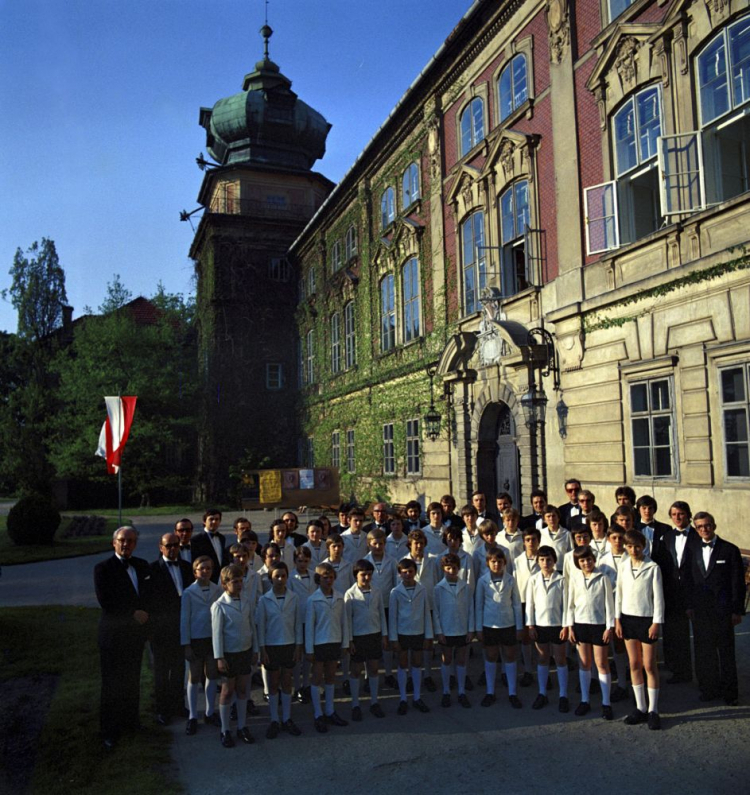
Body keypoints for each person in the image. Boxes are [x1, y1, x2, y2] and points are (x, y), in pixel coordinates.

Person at [94, 526, 151, 750]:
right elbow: (106, 600)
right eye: (122, 540)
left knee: (132, 680)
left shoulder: (142, 566)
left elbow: (148, 595)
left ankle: (131, 722)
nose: (126, 544)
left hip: (135, 636)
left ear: (135, 543)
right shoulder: (103, 568)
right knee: (111, 684)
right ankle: (109, 730)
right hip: (113, 636)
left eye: (130, 540)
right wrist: (132, 613)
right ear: (113, 543)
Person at [686, 512, 745, 706]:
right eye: (700, 526)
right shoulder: (692, 548)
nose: (704, 529)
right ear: (695, 528)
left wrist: (737, 610)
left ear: (714, 525)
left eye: (707, 525)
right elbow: (689, 580)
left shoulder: (729, 550)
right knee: (705, 652)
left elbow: (737, 583)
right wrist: (689, 606)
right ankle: (709, 689)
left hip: (723, 610)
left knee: (726, 653)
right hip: (701, 610)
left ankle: (730, 693)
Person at [615, 530, 665, 730]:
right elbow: (619, 593)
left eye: (637, 546)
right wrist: (617, 619)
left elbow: (659, 598)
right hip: (628, 619)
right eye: (629, 546)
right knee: (634, 664)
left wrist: (656, 622)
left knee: (649, 665)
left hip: (646, 620)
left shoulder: (653, 568)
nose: (633, 550)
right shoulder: (624, 566)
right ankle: (641, 707)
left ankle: (654, 710)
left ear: (643, 545)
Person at [211, 564, 258, 747]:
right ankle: (225, 729)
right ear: (224, 584)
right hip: (228, 654)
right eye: (234, 582)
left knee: (243, 689)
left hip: (244, 651)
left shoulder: (246, 601)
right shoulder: (219, 605)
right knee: (227, 690)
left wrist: (255, 650)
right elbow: (217, 634)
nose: (239, 585)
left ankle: (242, 726)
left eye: (241, 581)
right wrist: (219, 657)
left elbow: (252, 627)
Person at [565, 546, 615, 720]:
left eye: (588, 559)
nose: (586, 563)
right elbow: (570, 604)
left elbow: (610, 604)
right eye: (582, 560)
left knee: (601, 663)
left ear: (594, 559)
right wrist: (570, 626)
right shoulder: (575, 579)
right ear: (578, 563)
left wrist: (609, 627)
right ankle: (585, 700)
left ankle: (606, 703)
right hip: (580, 624)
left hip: (599, 625)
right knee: (584, 662)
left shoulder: (603, 578)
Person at [255, 562, 304, 739]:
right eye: (277, 576)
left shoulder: (294, 598)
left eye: (283, 576)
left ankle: (287, 718)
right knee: (273, 684)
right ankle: (274, 719)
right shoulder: (264, 600)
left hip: (289, 645)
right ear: (271, 578)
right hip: (271, 646)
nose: (280, 579)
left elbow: (298, 623)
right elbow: (260, 626)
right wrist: (262, 649)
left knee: (287, 682)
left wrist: (298, 646)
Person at [150, 532, 193, 725]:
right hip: (161, 630)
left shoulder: (186, 567)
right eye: (168, 546)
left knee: (178, 669)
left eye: (176, 545)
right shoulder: (152, 570)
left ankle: (178, 705)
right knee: (161, 671)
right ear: (161, 547)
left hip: (181, 627)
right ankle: (162, 709)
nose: (173, 549)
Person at [475, 548, 523, 709]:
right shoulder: (482, 581)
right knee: (491, 656)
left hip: (508, 624)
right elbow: (479, 606)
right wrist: (478, 628)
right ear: (488, 563)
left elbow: (516, 604)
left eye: (499, 562)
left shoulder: (511, 580)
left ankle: (512, 692)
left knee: (510, 656)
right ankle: (490, 692)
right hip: (490, 625)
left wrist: (519, 627)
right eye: (493, 562)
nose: (496, 564)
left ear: (505, 563)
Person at [653, 501, 696, 684]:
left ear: (688, 515)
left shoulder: (697, 536)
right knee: (673, 633)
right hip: (671, 592)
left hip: (692, 590)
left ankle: (700, 673)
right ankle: (678, 671)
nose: (678, 518)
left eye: (681, 514)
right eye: (674, 515)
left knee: (696, 636)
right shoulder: (667, 537)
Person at [305, 563, 350, 732]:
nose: (328, 580)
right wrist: (309, 649)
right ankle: (318, 714)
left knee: (331, 677)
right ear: (318, 579)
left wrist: (344, 643)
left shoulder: (340, 597)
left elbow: (344, 622)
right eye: (325, 577)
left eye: (331, 577)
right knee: (317, 678)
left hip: (334, 640)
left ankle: (330, 711)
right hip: (319, 643)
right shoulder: (313, 600)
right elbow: (310, 626)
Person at [181, 555, 221, 735]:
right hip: (195, 639)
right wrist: (186, 644)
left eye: (209, 568)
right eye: (201, 568)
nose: (205, 572)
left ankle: (210, 711)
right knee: (194, 675)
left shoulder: (217, 590)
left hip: (212, 638)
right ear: (195, 571)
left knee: (211, 674)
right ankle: (192, 715)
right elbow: (184, 620)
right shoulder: (189, 592)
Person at [526, 546, 569, 712]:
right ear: (537, 561)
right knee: (543, 658)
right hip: (540, 625)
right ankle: (542, 693)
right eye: (542, 559)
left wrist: (566, 625)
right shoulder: (533, 580)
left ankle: (563, 695)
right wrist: (530, 625)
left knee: (560, 659)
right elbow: (530, 604)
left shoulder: (561, 580)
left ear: (554, 561)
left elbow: (566, 605)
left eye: (549, 559)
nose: (546, 563)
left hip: (558, 625)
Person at [344, 559, 388, 720]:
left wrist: (384, 634)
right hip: (358, 636)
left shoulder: (376, 591)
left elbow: (381, 613)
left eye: (369, 574)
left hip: (374, 634)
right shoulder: (349, 594)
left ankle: (374, 702)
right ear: (356, 575)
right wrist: (349, 640)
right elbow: (347, 619)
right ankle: (355, 704)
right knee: (356, 671)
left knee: (374, 669)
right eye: (363, 575)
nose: (367, 578)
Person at [389, 558, 433, 714]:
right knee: (402, 664)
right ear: (399, 574)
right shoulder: (395, 592)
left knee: (416, 663)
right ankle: (402, 698)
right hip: (402, 632)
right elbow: (392, 616)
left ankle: (416, 697)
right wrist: (393, 639)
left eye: (410, 571)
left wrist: (429, 635)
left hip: (418, 631)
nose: (408, 575)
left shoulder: (422, 590)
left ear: (415, 572)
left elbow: (426, 612)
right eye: (404, 572)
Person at [432, 553, 474, 708]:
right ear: (443, 569)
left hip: (462, 628)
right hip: (446, 630)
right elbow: (436, 611)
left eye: (454, 568)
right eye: (448, 568)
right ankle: (446, 691)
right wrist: (439, 632)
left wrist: (471, 630)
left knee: (461, 660)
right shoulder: (438, 588)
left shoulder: (466, 587)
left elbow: (471, 609)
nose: (451, 571)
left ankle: (461, 691)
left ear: (459, 568)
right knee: (446, 659)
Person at [192, 509, 227, 582]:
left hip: (221, 579)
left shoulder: (221, 538)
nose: (214, 522)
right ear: (204, 521)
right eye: (211, 519)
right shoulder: (196, 540)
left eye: (217, 519)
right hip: (206, 578)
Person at [539, 505, 572, 572]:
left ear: (558, 518)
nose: (551, 519)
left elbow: (570, 553)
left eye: (554, 516)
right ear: (544, 520)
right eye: (548, 516)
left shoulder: (566, 533)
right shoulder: (541, 533)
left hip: (562, 568)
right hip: (545, 569)